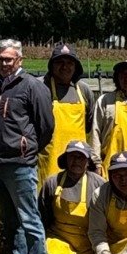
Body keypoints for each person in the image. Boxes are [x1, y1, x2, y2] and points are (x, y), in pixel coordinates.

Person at [0, 39, 55, 254]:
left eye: (9, 59)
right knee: (11, 221)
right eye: (0, 59)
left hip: (20, 164)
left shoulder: (32, 86)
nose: (4, 63)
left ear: (20, 60)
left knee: (30, 221)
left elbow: (45, 126)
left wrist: (26, 148)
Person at [39, 139, 104, 254]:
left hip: (87, 245)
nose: (76, 161)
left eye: (81, 157)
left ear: (88, 162)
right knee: (50, 253)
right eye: (72, 157)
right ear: (65, 159)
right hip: (59, 239)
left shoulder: (99, 185)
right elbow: (41, 216)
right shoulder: (52, 183)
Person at [41, 43, 98, 178]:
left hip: (78, 159)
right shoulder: (42, 88)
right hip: (49, 159)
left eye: (69, 63)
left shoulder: (84, 90)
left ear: (76, 66)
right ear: (51, 66)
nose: (65, 67)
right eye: (59, 62)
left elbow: (89, 127)